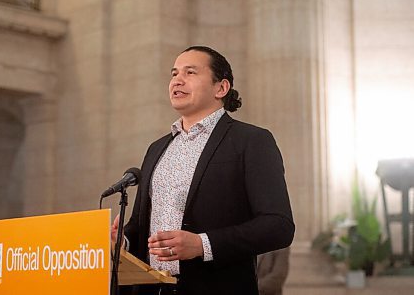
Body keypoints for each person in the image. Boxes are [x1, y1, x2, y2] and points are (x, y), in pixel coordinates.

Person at [112, 45, 294, 294]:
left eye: (190, 72)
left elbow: (278, 226)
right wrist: (122, 240)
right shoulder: (156, 149)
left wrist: (202, 244)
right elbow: (140, 225)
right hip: (151, 288)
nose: (177, 80)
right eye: (174, 73)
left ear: (221, 87)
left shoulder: (251, 141)